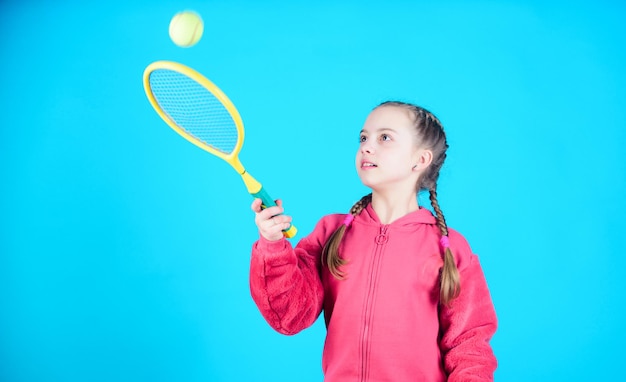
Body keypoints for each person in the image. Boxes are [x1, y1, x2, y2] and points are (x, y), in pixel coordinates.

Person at [249, 101, 497, 381]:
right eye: (364, 138)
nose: (367, 146)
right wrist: (273, 246)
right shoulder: (331, 233)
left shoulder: (449, 248)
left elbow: (469, 344)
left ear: (421, 160)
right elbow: (289, 315)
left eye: (385, 137)